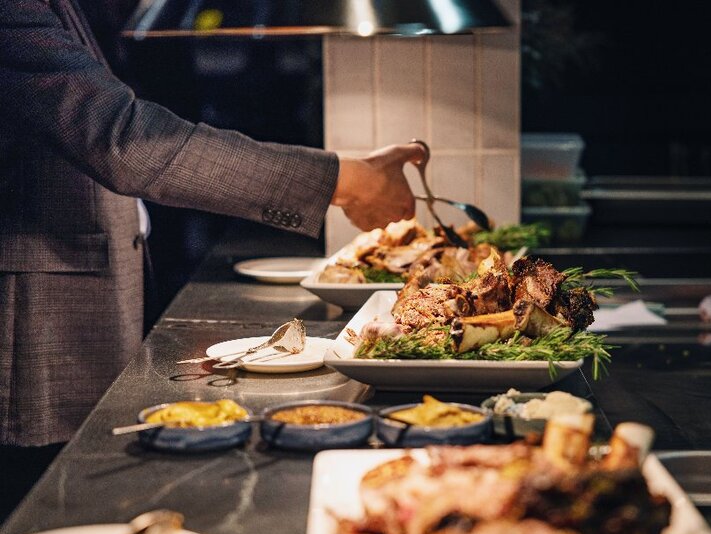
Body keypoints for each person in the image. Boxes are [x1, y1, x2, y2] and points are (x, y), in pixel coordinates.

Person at [0, 0, 422, 453]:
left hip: (95, 290)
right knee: (48, 499)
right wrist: (342, 180)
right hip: (37, 325)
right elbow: (123, 140)